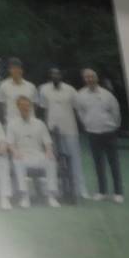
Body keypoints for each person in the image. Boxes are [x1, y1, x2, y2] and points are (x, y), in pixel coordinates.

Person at [74, 68, 123, 203]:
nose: (89, 79)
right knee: (98, 164)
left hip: (109, 132)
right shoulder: (80, 95)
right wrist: (88, 124)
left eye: (92, 77)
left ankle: (118, 193)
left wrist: (113, 126)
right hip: (93, 133)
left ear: (97, 78)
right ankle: (102, 192)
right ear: (84, 80)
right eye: (87, 77)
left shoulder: (107, 95)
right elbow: (80, 112)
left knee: (114, 163)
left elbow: (116, 112)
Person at [39, 67, 88, 199]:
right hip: (52, 131)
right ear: (50, 76)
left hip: (70, 129)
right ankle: (54, 190)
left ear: (61, 75)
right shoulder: (44, 89)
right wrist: (45, 130)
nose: (55, 76)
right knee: (52, 160)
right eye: (52, 74)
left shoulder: (70, 90)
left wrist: (83, 125)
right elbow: (45, 111)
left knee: (75, 160)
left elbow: (77, 110)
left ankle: (80, 189)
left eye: (57, 74)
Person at [8, 96, 60, 208]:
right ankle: (24, 196)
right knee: (17, 161)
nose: (25, 108)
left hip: (38, 155)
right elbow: (10, 144)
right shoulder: (12, 124)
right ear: (18, 107)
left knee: (51, 160)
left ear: (31, 107)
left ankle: (51, 196)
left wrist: (49, 152)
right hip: (22, 155)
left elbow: (47, 142)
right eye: (22, 106)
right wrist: (15, 152)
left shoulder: (39, 123)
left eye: (27, 105)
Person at [0, 57, 38, 125]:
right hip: (11, 122)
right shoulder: (3, 86)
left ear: (21, 70)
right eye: (12, 68)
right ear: (9, 70)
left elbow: (35, 105)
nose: (15, 70)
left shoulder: (31, 86)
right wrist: (6, 118)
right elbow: (2, 105)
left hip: (29, 122)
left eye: (17, 68)